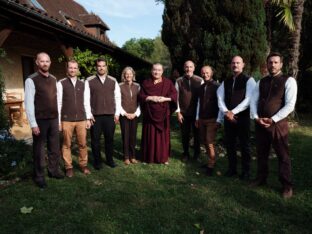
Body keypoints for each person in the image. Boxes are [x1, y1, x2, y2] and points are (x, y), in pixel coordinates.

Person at [250, 52, 297, 199]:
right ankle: (261, 178)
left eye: (276, 62)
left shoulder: (288, 81)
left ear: (281, 64)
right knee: (261, 152)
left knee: (283, 155)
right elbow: (253, 101)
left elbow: (290, 105)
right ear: (267, 64)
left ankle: (286, 185)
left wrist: (273, 119)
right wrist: (256, 118)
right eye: (270, 62)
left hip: (277, 124)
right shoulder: (261, 82)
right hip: (260, 123)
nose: (273, 65)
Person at [25, 52, 64, 188]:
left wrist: (58, 120)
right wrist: (33, 124)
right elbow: (29, 104)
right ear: (37, 63)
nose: (45, 63)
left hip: (53, 118)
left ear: (50, 62)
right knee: (39, 149)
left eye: (47, 61)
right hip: (40, 119)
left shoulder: (54, 79)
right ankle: (39, 176)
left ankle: (53, 170)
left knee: (54, 147)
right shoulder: (31, 79)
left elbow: (57, 101)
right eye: (42, 61)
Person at [217, 56, 256, 180]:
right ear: (230, 65)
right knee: (230, 144)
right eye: (233, 63)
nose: (235, 65)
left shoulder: (249, 80)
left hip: (243, 118)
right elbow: (219, 98)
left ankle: (246, 171)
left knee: (245, 145)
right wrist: (226, 112)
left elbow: (249, 99)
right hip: (229, 119)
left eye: (238, 63)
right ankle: (232, 169)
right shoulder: (226, 81)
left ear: (243, 64)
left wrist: (233, 112)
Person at [57, 60, 92, 177]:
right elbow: (59, 103)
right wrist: (59, 121)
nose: (72, 70)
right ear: (67, 69)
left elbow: (87, 102)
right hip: (66, 119)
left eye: (75, 68)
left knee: (82, 144)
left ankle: (83, 165)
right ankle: (69, 167)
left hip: (82, 119)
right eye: (70, 68)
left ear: (77, 70)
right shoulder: (61, 83)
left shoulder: (83, 84)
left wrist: (88, 118)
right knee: (66, 144)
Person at [86, 58, 121, 169]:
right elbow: (86, 99)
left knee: (109, 140)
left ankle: (110, 160)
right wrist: (89, 115)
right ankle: (97, 162)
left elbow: (118, 97)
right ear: (96, 67)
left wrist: (117, 113)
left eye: (103, 66)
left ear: (106, 67)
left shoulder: (113, 80)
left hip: (110, 115)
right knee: (95, 140)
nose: (101, 68)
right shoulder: (89, 80)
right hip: (95, 116)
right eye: (99, 66)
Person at [139, 63, 177, 164]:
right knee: (149, 135)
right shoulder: (146, 83)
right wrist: (150, 97)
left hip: (163, 113)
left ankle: (163, 158)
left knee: (162, 136)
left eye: (159, 70)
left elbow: (174, 95)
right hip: (149, 113)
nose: (156, 72)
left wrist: (165, 98)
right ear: (151, 70)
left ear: (162, 71)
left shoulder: (168, 83)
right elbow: (141, 96)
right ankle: (148, 157)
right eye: (154, 70)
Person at [195, 66, 223, 176]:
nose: (205, 74)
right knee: (204, 141)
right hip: (202, 118)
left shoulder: (218, 87)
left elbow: (221, 105)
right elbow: (198, 104)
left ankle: (211, 165)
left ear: (211, 73)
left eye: (207, 72)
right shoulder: (201, 87)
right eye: (203, 73)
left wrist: (219, 120)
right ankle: (209, 161)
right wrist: (197, 118)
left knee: (209, 141)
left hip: (213, 119)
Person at [175, 60, 203, 161]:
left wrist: (199, 115)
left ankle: (197, 155)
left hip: (196, 114)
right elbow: (176, 98)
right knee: (185, 135)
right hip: (184, 113)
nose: (188, 69)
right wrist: (178, 112)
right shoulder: (179, 81)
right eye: (187, 67)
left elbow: (202, 99)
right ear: (184, 68)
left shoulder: (200, 80)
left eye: (191, 67)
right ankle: (185, 153)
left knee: (197, 135)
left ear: (194, 68)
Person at [119, 67, 140, 165]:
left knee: (133, 136)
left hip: (134, 115)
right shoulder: (119, 86)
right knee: (125, 135)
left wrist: (135, 113)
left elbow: (140, 102)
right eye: (126, 74)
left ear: (133, 75)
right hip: (124, 115)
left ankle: (133, 156)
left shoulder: (137, 86)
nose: (128, 75)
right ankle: (126, 156)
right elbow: (117, 101)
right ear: (124, 75)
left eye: (130, 74)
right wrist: (124, 113)